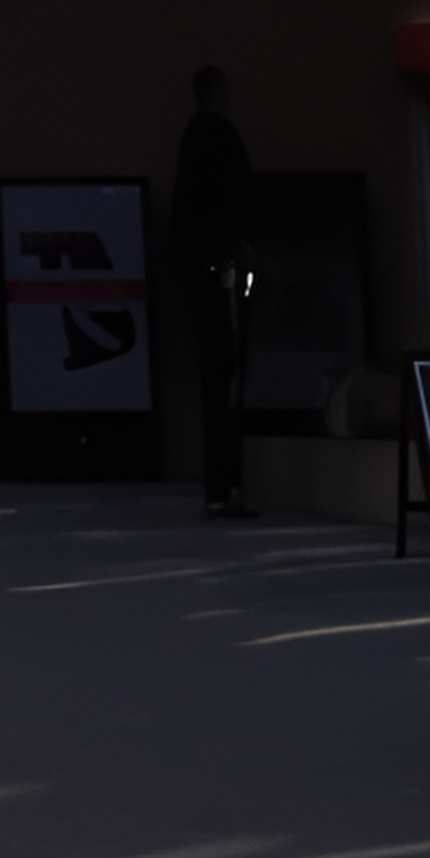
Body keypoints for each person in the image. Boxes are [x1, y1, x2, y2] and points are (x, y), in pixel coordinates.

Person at [173, 63, 257, 518]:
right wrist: (236, 252)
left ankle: (220, 487)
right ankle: (228, 484)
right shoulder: (217, 138)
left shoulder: (192, 141)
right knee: (226, 378)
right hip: (219, 274)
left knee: (215, 379)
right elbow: (237, 199)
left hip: (201, 274)